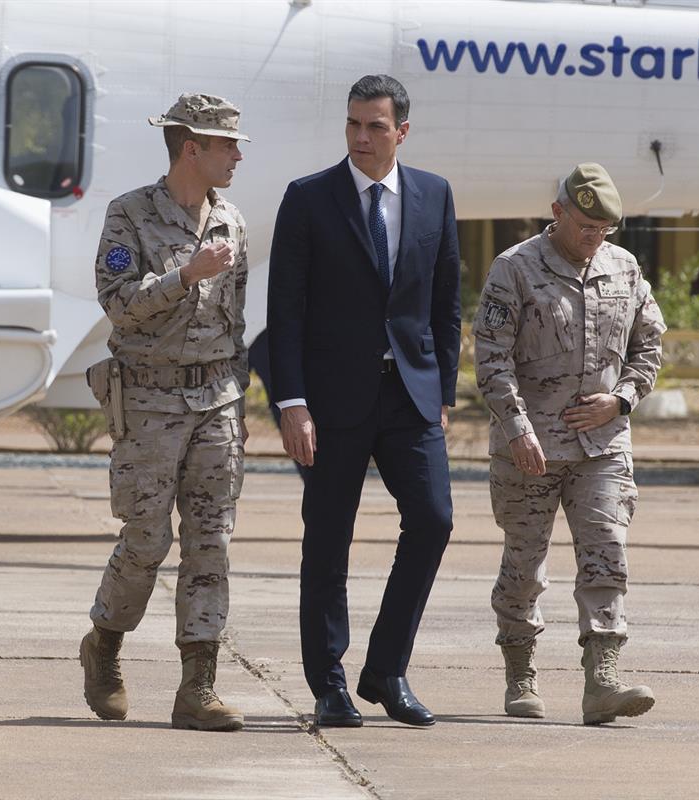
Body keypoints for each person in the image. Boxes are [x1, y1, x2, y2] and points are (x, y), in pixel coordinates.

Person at [267, 74, 461, 728]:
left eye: (375, 126)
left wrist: (443, 392)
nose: (361, 137)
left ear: (401, 131)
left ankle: (386, 670)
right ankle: (329, 683)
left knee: (434, 519)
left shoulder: (434, 196)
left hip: (410, 395)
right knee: (327, 541)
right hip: (328, 402)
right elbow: (284, 312)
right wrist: (291, 401)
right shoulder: (309, 199)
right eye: (353, 124)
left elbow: (445, 305)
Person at [79, 93, 250, 732]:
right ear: (191, 149)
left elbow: (235, 317)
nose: (237, 156)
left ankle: (197, 689)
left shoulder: (231, 218)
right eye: (227, 145)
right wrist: (184, 275)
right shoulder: (128, 215)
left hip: (217, 401)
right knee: (147, 539)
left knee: (212, 544)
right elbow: (118, 304)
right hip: (148, 399)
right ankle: (105, 645)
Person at [473, 163, 666, 725]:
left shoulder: (625, 269)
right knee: (524, 566)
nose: (594, 237)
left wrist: (623, 399)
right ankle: (520, 673)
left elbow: (649, 347)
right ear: (558, 212)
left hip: (602, 448)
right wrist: (518, 430)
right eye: (585, 225)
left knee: (607, 555)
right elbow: (491, 359)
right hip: (528, 450)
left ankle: (601, 682)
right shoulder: (514, 269)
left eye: (604, 228)